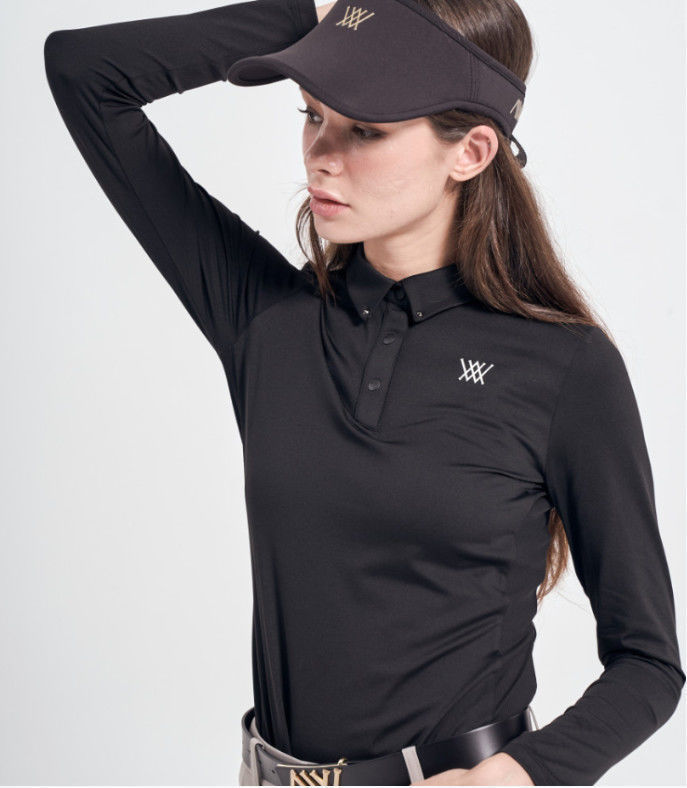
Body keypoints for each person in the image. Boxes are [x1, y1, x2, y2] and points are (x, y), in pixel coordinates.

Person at [43, 0, 684, 784]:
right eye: (311, 115)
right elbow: (84, 73)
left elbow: (648, 662)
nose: (321, 155)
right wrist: (323, 16)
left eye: (367, 130)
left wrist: (519, 775)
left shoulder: (563, 368)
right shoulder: (266, 320)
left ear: (471, 151)